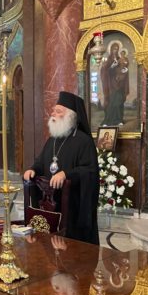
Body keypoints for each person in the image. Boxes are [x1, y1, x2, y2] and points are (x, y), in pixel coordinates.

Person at [23, 91, 99, 245]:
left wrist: (66, 174)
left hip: (73, 210)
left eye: (58, 111)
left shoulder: (84, 141)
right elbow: (41, 161)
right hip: (50, 208)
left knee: (72, 251)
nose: (53, 114)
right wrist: (33, 169)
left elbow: (90, 171)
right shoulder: (53, 139)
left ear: (70, 116)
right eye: (54, 110)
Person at [101, 42, 129, 126]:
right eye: (114, 49)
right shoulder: (108, 60)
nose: (115, 51)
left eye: (117, 49)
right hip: (110, 85)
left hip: (120, 84)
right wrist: (112, 66)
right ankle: (107, 121)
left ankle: (119, 119)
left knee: (119, 102)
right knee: (111, 102)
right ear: (111, 50)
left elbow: (124, 68)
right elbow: (104, 71)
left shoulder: (120, 59)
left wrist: (125, 71)